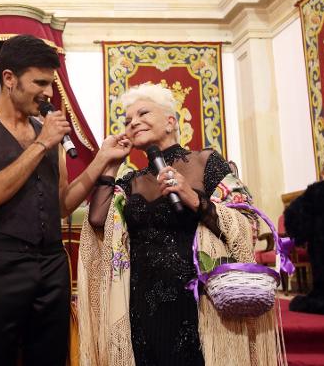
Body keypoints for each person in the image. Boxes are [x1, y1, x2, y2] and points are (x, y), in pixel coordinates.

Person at [0, 34, 128, 366]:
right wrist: (42, 144)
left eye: (51, 84)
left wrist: (102, 159)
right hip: (2, 264)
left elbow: (62, 205)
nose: (48, 93)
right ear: (9, 79)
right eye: (40, 82)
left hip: (53, 264)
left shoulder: (49, 135)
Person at [77, 83, 283, 365]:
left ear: (171, 121)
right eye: (127, 120)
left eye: (143, 113)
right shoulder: (130, 181)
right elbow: (97, 219)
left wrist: (194, 199)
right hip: (142, 302)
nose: (133, 122)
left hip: (198, 301)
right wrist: (111, 166)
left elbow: (248, 224)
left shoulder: (207, 162)